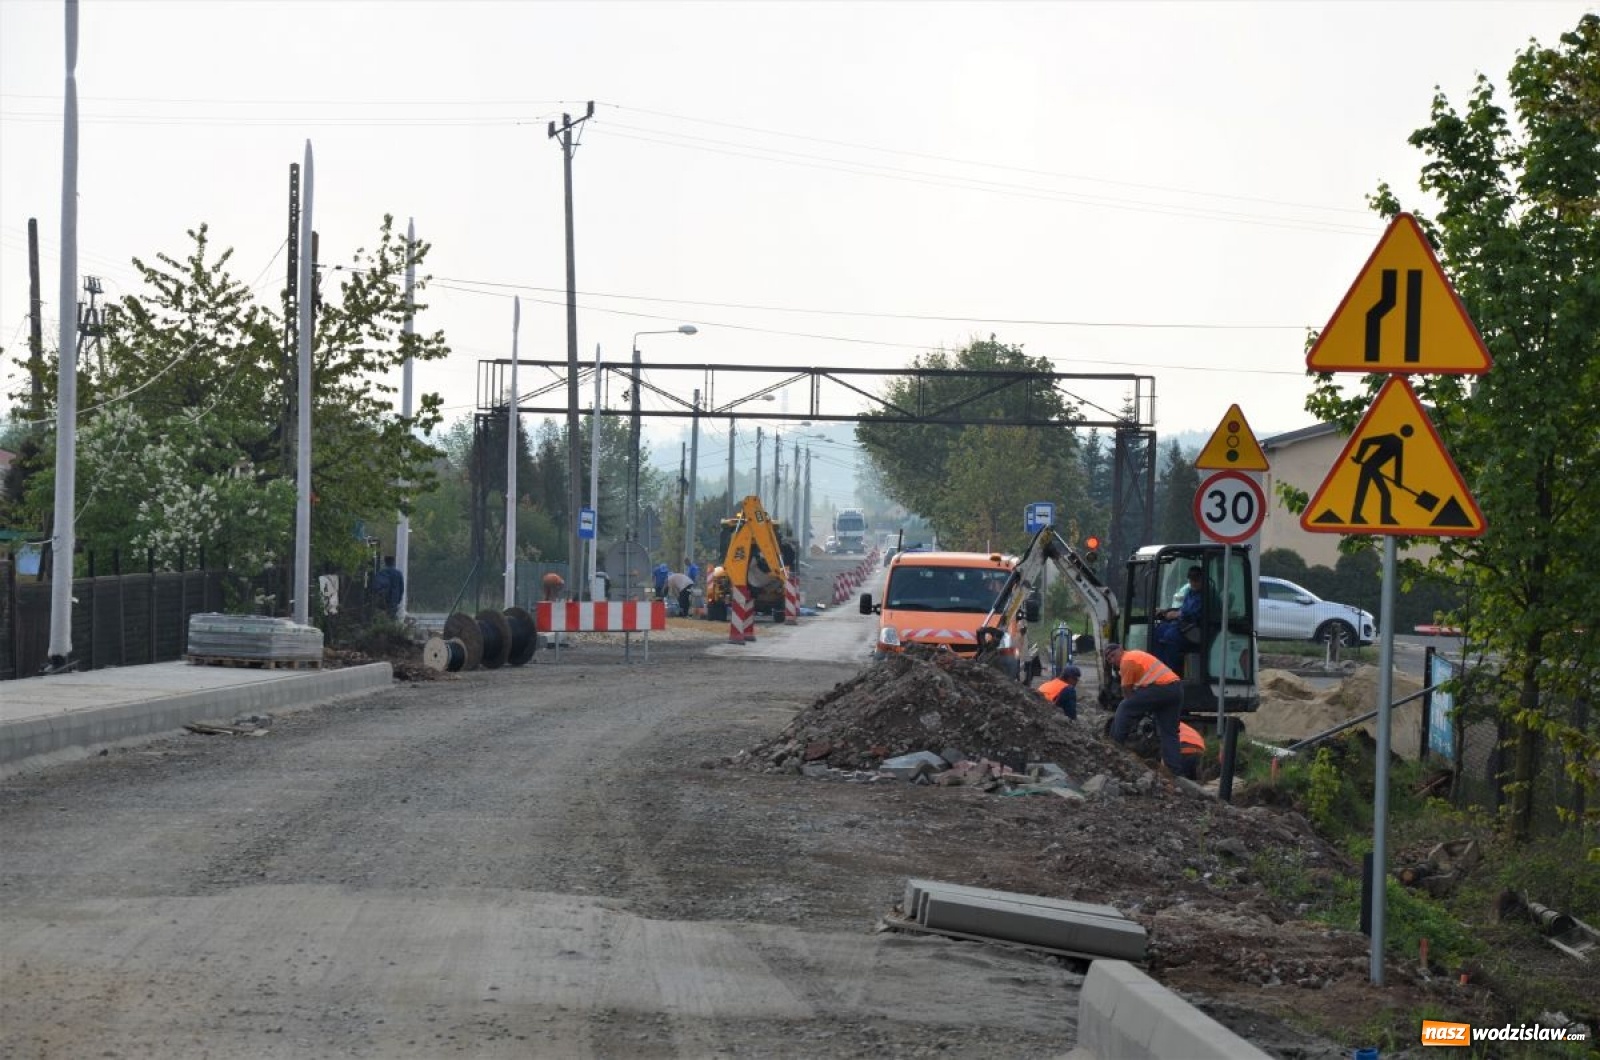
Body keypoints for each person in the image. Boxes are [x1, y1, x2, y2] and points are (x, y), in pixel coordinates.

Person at [1104, 643, 1185, 775]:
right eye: (1109, 659)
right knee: (1169, 733)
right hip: (1175, 689)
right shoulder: (1136, 656)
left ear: (1121, 650)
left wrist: (1136, 710)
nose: (1113, 660)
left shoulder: (1127, 660)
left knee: (1124, 707)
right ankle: (1174, 771)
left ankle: (1114, 746)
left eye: (1113, 655)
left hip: (1160, 688)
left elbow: (1127, 693)